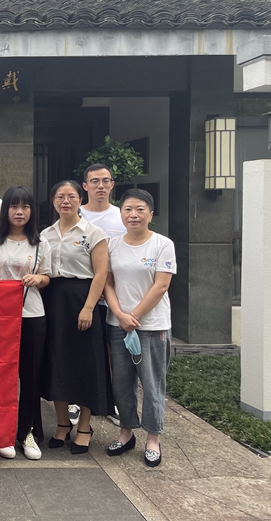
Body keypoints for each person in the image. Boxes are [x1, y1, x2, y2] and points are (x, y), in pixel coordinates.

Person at [0, 186, 51, 461]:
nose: (19, 212)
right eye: (14, 206)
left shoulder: (41, 243)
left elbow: (47, 276)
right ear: (5, 209)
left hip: (32, 316)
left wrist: (38, 279)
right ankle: (2, 433)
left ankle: (27, 432)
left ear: (32, 211)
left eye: (25, 207)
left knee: (30, 376)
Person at [104, 189, 175, 468]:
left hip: (152, 326)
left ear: (151, 214)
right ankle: (126, 433)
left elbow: (161, 285)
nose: (133, 215)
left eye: (140, 209)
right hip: (118, 325)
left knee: (152, 383)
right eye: (128, 209)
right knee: (122, 382)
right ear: (121, 214)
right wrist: (120, 315)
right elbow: (107, 283)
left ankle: (153, 439)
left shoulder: (162, 244)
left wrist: (134, 316)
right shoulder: (112, 245)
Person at [40, 180, 111, 455]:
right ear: (53, 201)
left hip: (82, 299)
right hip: (52, 300)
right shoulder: (45, 234)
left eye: (71, 196)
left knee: (84, 363)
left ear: (80, 200)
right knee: (57, 361)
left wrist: (89, 307)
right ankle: (62, 424)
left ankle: (84, 427)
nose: (65, 201)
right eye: (60, 196)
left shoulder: (93, 233)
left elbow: (101, 272)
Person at [75, 162, 128, 427]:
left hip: (114, 295)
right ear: (85, 186)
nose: (100, 186)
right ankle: (76, 398)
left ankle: (112, 401)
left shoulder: (122, 216)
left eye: (105, 181)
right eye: (94, 181)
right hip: (81, 295)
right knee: (80, 347)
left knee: (111, 350)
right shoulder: (75, 213)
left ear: (112, 184)